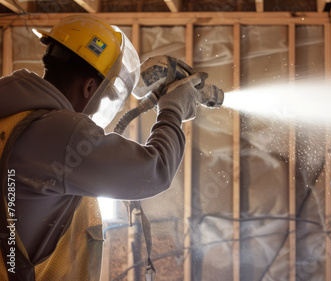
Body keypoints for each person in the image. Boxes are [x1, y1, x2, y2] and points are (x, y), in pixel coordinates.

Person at [0, 15, 201, 280]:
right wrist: (173, 109)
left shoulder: (12, 113)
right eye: (105, 95)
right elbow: (155, 172)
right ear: (89, 87)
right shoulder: (61, 134)